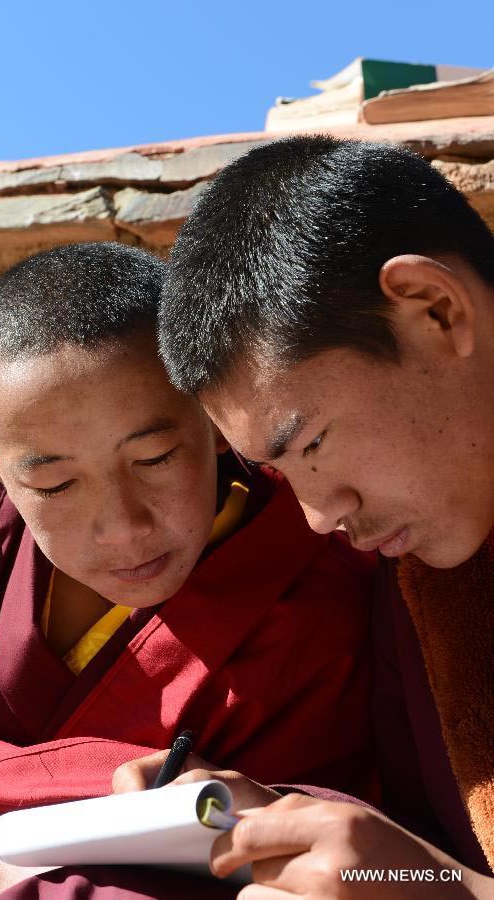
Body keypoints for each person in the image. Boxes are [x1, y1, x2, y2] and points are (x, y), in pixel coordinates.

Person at [0, 242, 375, 899]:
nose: (122, 526)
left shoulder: (326, 573)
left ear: (214, 420)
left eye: (154, 458)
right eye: (55, 484)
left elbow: (367, 866)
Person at [146, 134, 494, 897]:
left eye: (311, 443)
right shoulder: (423, 580)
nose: (317, 517)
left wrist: (449, 894)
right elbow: (437, 856)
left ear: (435, 310)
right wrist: (282, 820)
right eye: (280, 474)